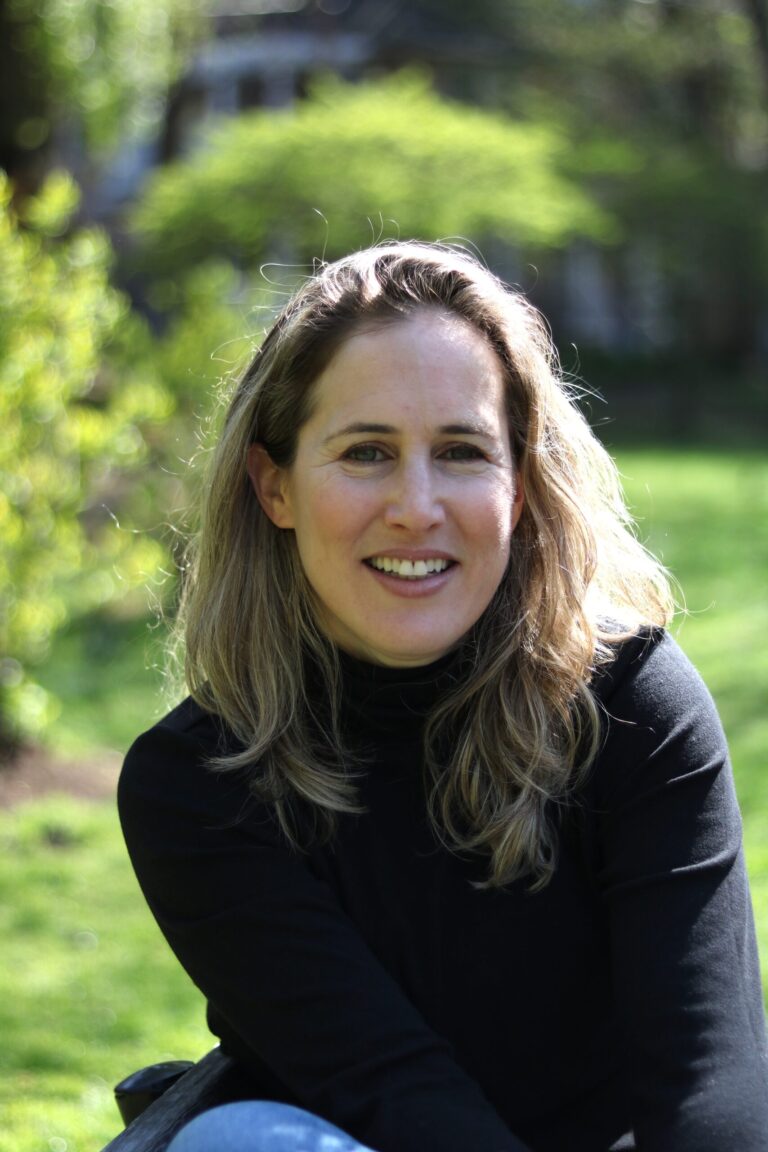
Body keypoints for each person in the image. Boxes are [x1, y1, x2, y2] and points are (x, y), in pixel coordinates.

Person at [118, 241, 768, 1152]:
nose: (417, 507)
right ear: (276, 487)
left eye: (462, 451)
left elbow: (711, 1083)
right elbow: (401, 1096)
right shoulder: (197, 783)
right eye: (366, 452)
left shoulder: (633, 708)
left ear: (521, 487)